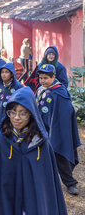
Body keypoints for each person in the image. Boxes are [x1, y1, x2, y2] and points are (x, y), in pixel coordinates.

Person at [0, 87, 67, 215]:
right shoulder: (1, 138)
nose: (16, 118)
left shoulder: (41, 143)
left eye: (22, 113)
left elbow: (46, 187)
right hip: (6, 198)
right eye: (12, 112)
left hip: (32, 203)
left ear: (31, 113)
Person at [36, 64, 81, 195]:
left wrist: (55, 130)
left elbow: (66, 113)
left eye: (45, 78)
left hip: (55, 131)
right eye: (41, 78)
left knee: (59, 156)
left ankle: (70, 183)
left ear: (53, 77)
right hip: (40, 130)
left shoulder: (60, 93)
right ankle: (41, 182)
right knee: (39, 157)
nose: (43, 81)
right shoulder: (40, 90)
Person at [0, 63, 23, 138]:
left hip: (10, 116)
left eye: (6, 72)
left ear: (12, 74)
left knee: (8, 135)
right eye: (2, 72)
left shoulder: (18, 87)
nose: (4, 74)